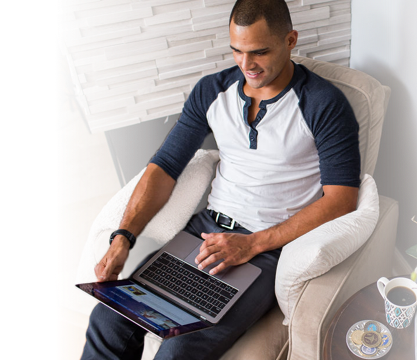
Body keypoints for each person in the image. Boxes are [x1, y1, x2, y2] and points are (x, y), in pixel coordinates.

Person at [81, 0, 361, 359]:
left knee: (179, 349)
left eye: (259, 52)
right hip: (202, 232)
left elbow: (342, 199)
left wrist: (253, 244)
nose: (247, 65)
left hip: (266, 250)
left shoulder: (324, 103)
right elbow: (165, 166)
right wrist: (124, 237)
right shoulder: (211, 91)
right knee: (108, 318)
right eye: (237, 51)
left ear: (290, 40)